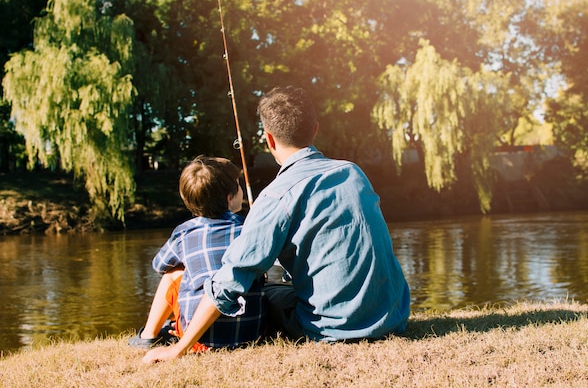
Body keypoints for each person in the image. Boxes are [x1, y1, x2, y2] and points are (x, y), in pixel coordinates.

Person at [143, 86, 410, 362]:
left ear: (269, 139)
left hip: (333, 330)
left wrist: (179, 349)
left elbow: (229, 280)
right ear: (315, 130)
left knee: (266, 290)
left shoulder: (274, 196)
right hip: (393, 318)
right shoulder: (354, 173)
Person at [128, 156, 266, 351]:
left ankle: (148, 335)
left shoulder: (184, 233)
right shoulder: (249, 229)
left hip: (200, 341)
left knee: (174, 272)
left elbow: (158, 265)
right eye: (238, 185)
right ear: (229, 198)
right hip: (250, 333)